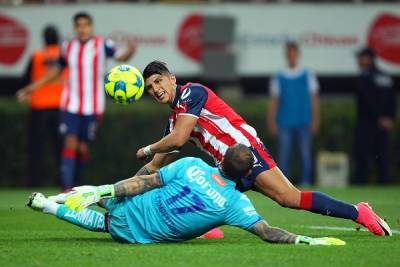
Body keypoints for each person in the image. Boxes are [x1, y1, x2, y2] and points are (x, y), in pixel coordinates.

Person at [134, 60, 391, 237]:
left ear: (172, 79)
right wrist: (113, 192)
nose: (156, 89)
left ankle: (359, 212)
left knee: (289, 198)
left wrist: (146, 148)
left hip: (245, 153)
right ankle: (204, 226)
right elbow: (155, 167)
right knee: (186, 188)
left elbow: (178, 139)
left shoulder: (192, 93)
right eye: (150, 88)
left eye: (159, 81)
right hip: (227, 167)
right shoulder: (173, 121)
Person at [27, 144, 345, 246]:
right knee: (102, 223)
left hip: (132, 204)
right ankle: (47, 206)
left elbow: (146, 183)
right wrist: (305, 240)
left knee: (120, 191)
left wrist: (106, 189)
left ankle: (62, 197)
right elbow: (268, 233)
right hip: (133, 234)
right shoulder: (236, 204)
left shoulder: (193, 164)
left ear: (220, 160)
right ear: (248, 176)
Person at [17, 12, 135, 191]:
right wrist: (31, 88)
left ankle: (76, 184)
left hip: (93, 106)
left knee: (81, 148)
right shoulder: (68, 47)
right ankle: (67, 189)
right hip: (70, 104)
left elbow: (120, 57)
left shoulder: (102, 45)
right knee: (69, 142)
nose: (82, 29)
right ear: (75, 28)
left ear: (91, 27)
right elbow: (55, 72)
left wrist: (129, 52)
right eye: (79, 25)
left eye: (85, 25)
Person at [267, 41, 320, 186]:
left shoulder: (308, 75)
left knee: (304, 154)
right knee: (284, 155)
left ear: (297, 54)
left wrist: (315, 120)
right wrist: (272, 122)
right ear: (286, 55)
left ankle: (305, 182)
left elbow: (314, 99)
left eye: (293, 53)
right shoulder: (278, 76)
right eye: (289, 53)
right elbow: (274, 101)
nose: (291, 56)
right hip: (284, 122)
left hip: (304, 121)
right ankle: (285, 184)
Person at [22, 25, 63, 187]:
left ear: (44, 39)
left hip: (39, 108)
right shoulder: (63, 56)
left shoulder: (37, 56)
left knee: (36, 149)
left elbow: (25, 80)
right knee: (60, 149)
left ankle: (34, 182)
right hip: (60, 107)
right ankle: (64, 182)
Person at [354, 48, 396, 184]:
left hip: (367, 122)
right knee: (382, 155)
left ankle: (362, 184)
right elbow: (392, 100)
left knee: (363, 155)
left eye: (361, 57)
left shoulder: (364, 77)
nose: (359, 60)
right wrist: (389, 118)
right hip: (383, 123)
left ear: (369, 59)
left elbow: (369, 100)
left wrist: (379, 118)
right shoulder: (385, 76)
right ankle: (384, 183)